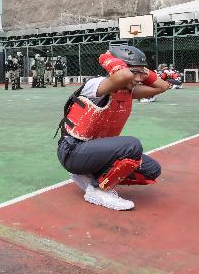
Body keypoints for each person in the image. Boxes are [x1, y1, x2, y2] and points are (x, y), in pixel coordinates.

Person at [56, 45, 169, 211]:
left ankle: (87, 174)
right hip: (72, 151)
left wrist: (142, 69)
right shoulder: (96, 85)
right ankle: (97, 189)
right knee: (132, 145)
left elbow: (162, 86)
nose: (138, 78)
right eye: (134, 72)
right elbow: (122, 75)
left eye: (141, 73)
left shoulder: (127, 90)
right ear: (119, 67)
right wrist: (106, 58)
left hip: (93, 150)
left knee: (151, 169)